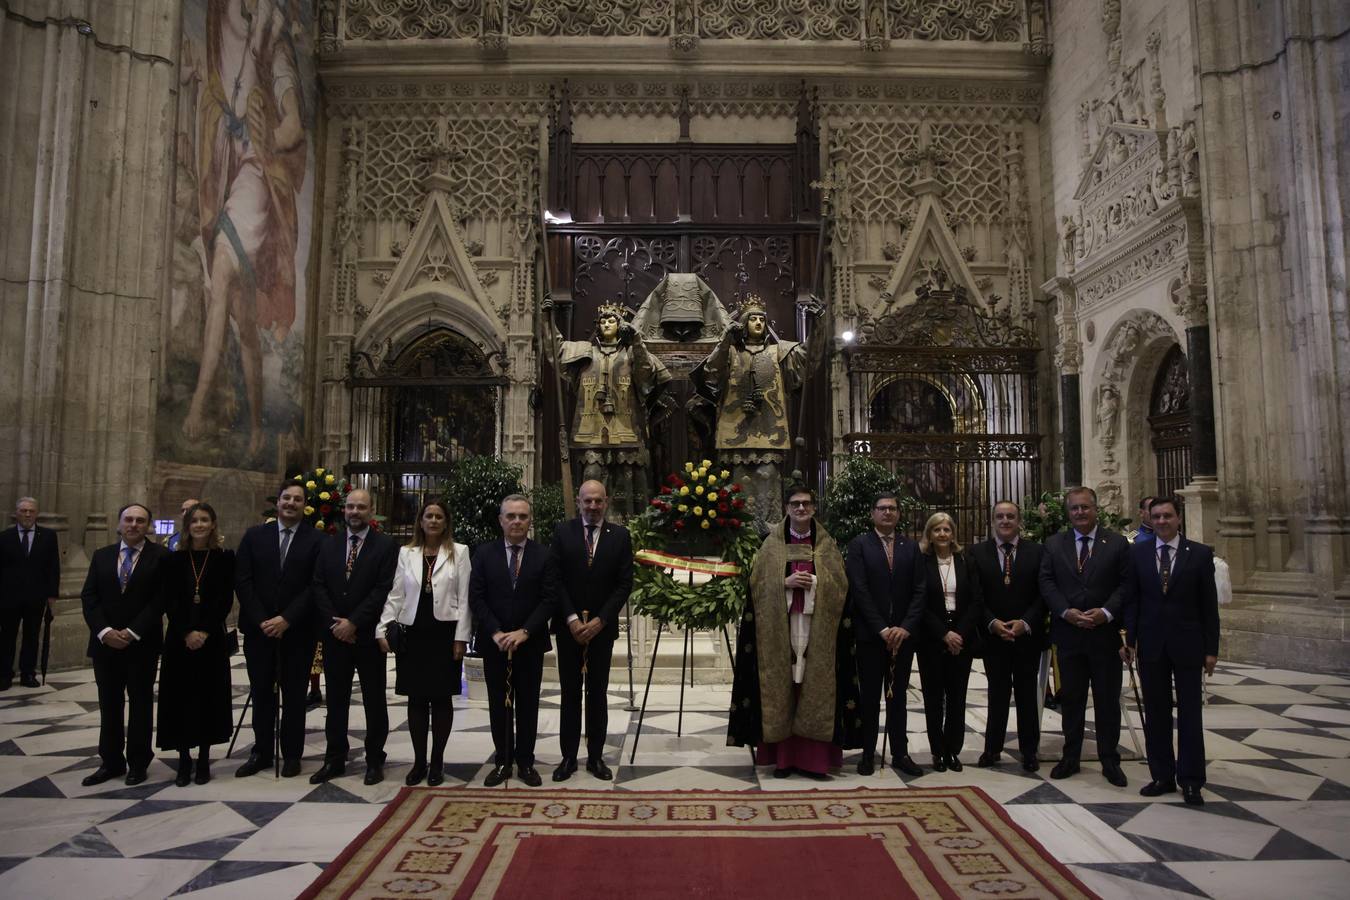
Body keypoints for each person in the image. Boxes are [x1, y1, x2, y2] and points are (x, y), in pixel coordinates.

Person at [727, 486, 859, 780]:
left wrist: (815, 581)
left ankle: (813, 761)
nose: (801, 509)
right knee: (784, 685)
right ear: (786, 508)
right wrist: (783, 583)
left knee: (812, 686)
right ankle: (784, 759)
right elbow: (757, 585)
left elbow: (840, 586)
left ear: (814, 508)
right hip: (782, 624)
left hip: (816, 626)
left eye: (806, 504)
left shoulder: (827, 544)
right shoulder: (770, 544)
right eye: (795, 504)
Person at [1122, 495, 1220, 806]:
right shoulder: (1138, 552)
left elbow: (1209, 606)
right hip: (1151, 643)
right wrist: (1129, 641)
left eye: (1167, 516)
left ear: (1179, 518)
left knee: (1190, 714)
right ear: (1149, 518)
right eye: (1157, 516)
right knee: (1156, 712)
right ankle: (1162, 775)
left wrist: (1211, 650)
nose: (1162, 521)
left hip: (1188, 644)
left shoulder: (1200, 554)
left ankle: (1191, 780)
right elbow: (1133, 600)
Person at [545, 300, 671, 518]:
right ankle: (590, 533)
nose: (606, 324)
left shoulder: (633, 354)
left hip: (626, 434)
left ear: (620, 325)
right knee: (592, 477)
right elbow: (556, 350)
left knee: (626, 485)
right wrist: (547, 318)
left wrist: (637, 341)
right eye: (603, 320)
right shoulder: (584, 352)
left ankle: (630, 533)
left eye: (612, 320)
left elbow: (647, 379)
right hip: (591, 433)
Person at [1038, 486, 1130, 787]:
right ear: (1068, 511)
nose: (1080, 513)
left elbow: (1125, 585)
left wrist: (1106, 612)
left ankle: (1109, 759)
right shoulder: (1054, 544)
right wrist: (1065, 611)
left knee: (1106, 699)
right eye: (1075, 508)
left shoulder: (1116, 544)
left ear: (1095, 509)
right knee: (1072, 698)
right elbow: (1047, 581)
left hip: (1104, 634)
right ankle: (1071, 756)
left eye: (1085, 507)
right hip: (1069, 634)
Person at [378, 498, 472, 787]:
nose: (433, 521)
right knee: (416, 699)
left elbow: (466, 599)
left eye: (438, 516)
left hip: (443, 634)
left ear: (446, 522)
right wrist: (383, 628)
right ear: (420, 521)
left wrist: (461, 638)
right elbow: (396, 593)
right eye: (428, 516)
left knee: (441, 699)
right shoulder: (407, 553)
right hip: (413, 633)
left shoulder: (459, 552)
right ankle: (419, 762)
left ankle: (438, 762)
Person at [690, 295, 807, 527]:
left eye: (761, 319)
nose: (757, 323)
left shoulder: (780, 352)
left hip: (769, 436)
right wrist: (725, 340)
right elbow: (711, 372)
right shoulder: (731, 353)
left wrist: (820, 323)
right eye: (752, 319)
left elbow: (808, 357)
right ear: (743, 324)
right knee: (737, 487)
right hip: (735, 436)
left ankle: (769, 535)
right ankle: (737, 533)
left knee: (768, 484)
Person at [234, 481, 325, 778]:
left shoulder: (317, 540)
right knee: (262, 693)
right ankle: (261, 751)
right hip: (259, 630)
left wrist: (287, 618)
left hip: (298, 631)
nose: (291, 503)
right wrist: (263, 619)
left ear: (305, 505)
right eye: (287, 498)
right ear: (278, 502)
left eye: (297, 499)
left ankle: (292, 754)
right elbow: (243, 581)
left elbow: (316, 585)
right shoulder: (253, 536)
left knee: (295, 695)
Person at [309, 489, 398, 786]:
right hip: (336, 636)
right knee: (335, 700)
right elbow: (318, 585)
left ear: (372, 510)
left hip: (368, 636)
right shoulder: (329, 544)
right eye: (350, 507)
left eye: (361, 507)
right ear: (343, 510)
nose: (355, 512)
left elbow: (383, 589)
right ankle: (334, 757)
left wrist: (354, 623)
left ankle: (375, 758)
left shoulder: (385, 546)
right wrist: (337, 624)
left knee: (374, 700)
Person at [469, 494, 558, 787]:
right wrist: (495, 632)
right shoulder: (483, 553)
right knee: (499, 703)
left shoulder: (543, 555)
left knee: (529, 703)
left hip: (529, 642)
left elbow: (548, 599)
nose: (517, 521)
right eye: (511, 516)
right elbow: (477, 597)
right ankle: (503, 761)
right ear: (501, 520)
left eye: (522, 516)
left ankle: (526, 762)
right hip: (495, 642)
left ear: (529, 520)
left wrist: (525, 631)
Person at [549, 480, 633, 782]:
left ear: (606, 502)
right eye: (587, 501)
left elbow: (624, 583)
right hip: (568, 628)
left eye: (598, 501)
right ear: (579, 501)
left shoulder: (620, 536)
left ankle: (596, 757)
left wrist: (601, 621)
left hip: (602, 629)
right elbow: (555, 579)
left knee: (597, 693)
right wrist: (571, 618)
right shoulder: (563, 532)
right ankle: (568, 757)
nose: (593, 506)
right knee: (570, 693)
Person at [80, 503, 167, 786]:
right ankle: (111, 761)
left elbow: (160, 601)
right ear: (119, 524)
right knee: (109, 704)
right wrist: (104, 631)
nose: (133, 525)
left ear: (148, 526)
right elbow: (89, 597)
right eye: (128, 520)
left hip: (141, 644)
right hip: (105, 645)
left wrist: (131, 632)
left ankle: (138, 762)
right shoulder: (102, 556)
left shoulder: (161, 557)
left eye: (140, 521)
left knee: (141, 703)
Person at [846, 491, 927, 776]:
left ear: (898, 514)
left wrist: (905, 627)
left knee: (899, 698)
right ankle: (868, 753)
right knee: (869, 697)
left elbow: (920, 590)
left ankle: (901, 753)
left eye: (892, 508)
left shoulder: (911, 547)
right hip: (871, 636)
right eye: (882, 508)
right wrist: (881, 628)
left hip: (903, 637)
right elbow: (859, 589)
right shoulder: (860, 545)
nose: (888, 513)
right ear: (872, 513)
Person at [156, 503, 235, 786]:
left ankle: (203, 758)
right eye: (194, 521)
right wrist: (188, 631)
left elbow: (225, 599)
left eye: (205, 520)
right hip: (179, 639)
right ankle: (184, 759)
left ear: (213, 524)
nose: (199, 525)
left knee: (208, 697)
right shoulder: (173, 560)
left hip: (211, 638)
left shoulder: (225, 558)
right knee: (180, 697)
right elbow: (169, 601)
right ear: (187, 525)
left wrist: (203, 630)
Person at [970, 501, 1046, 772]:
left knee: (1027, 694)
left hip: (1026, 635)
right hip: (994, 636)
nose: (1005, 520)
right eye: (1000, 516)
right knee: (997, 694)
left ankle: (1029, 751)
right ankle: (992, 748)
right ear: (993, 520)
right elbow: (975, 595)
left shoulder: (1037, 552)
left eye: (1010, 516)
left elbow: (1042, 594)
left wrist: (1025, 623)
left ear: (1019, 520)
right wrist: (991, 623)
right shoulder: (977, 552)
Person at [917, 512, 982, 772]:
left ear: (953, 533)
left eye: (946, 529)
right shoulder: (921, 562)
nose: (942, 534)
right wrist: (944, 633)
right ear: (929, 535)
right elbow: (918, 601)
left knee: (957, 696)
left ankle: (952, 750)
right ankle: (937, 750)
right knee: (934, 697)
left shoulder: (966, 560)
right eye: (937, 530)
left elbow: (977, 600)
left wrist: (960, 634)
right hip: (931, 636)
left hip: (961, 633)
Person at [0, 497, 61, 690]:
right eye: (23, 511)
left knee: (32, 636)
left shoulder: (49, 536)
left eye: (31, 511)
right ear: (16, 513)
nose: (27, 514)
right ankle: (4, 674)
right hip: (9, 597)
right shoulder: (5, 537)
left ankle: (28, 673)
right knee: (7, 637)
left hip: (36, 596)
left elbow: (53, 567)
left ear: (37, 513)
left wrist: (52, 595)